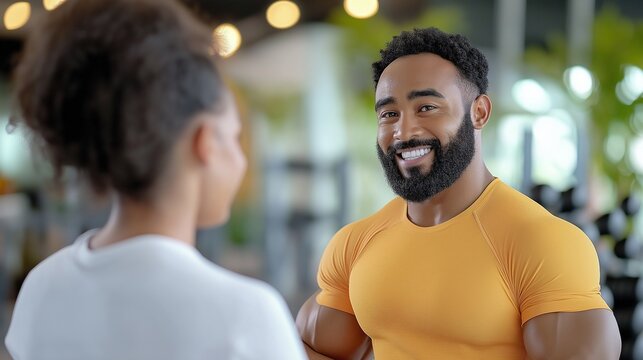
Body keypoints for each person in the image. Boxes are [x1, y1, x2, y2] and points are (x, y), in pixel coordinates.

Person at [4, 0, 306, 359]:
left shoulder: (41, 289)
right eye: (235, 136)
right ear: (204, 142)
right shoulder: (247, 316)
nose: (242, 160)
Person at [296, 27, 621, 359]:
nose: (403, 131)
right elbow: (296, 349)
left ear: (479, 112)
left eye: (426, 108)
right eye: (389, 114)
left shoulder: (542, 242)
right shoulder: (355, 243)